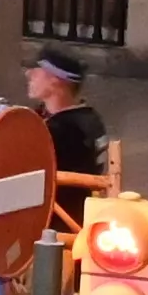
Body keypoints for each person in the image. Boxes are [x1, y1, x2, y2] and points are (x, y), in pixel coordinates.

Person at [28, 46, 114, 192]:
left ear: (55, 80)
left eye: (37, 70)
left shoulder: (69, 132)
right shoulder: (90, 118)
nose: (29, 74)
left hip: (58, 204)